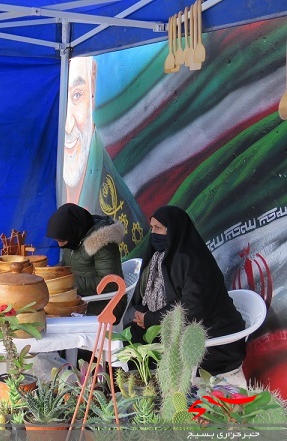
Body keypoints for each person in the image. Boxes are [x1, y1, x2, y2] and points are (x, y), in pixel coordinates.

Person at [126, 205, 246, 381]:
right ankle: (143, 393)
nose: (153, 233)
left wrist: (151, 319)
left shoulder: (194, 261)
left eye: (158, 228)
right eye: (152, 228)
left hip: (213, 337)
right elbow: (142, 295)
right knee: (133, 337)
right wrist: (142, 316)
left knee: (150, 348)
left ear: (174, 229)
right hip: (180, 326)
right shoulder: (160, 259)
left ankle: (163, 396)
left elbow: (193, 308)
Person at [62, 56, 146, 257]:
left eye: (76, 96)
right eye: (60, 101)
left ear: (92, 89)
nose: (67, 125)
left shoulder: (119, 211)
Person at [46, 203, 126, 322]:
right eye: (57, 241)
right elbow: (67, 264)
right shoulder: (74, 237)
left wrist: (67, 282)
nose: (60, 244)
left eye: (61, 240)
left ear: (74, 230)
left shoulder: (103, 244)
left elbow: (110, 284)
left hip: (105, 304)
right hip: (81, 298)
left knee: (51, 316)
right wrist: (52, 273)